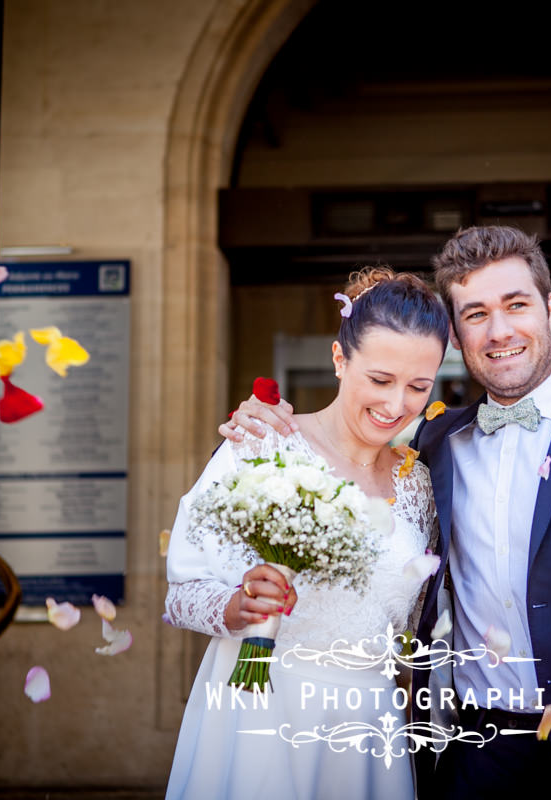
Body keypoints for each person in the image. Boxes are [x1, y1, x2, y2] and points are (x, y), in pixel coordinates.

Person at [225, 226, 551, 799]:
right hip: (474, 756)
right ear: (457, 336)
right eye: (476, 314)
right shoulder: (434, 441)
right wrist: (267, 428)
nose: (500, 330)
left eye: (517, 305)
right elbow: (348, 441)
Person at [164, 267, 448, 800]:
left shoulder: (421, 486)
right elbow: (181, 595)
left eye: (418, 387)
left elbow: (412, 632)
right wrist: (239, 607)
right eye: (381, 380)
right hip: (262, 709)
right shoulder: (261, 443)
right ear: (340, 360)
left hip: (369, 724)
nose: (396, 405)